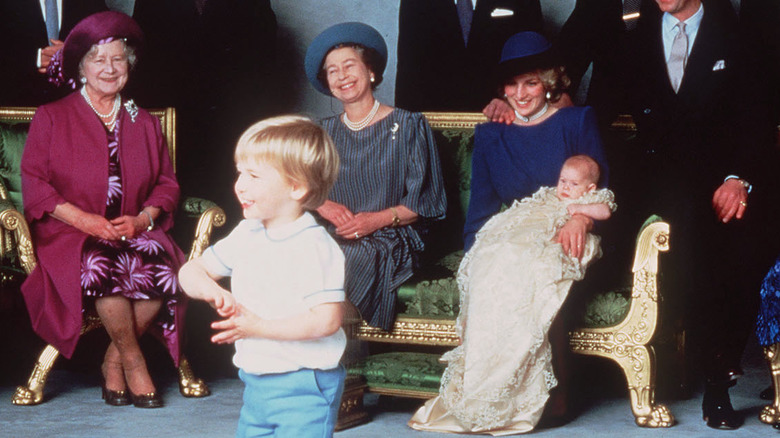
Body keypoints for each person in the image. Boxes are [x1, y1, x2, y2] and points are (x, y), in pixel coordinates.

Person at [621, 0, 776, 430]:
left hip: (724, 179)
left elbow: (759, 119)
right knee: (692, 242)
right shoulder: (635, 37)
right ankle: (715, 378)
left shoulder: (740, 37)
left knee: (744, 244)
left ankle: (717, 379)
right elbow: (598, 104)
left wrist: (738, 178)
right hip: (663, 183)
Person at [20, 11, 184, 408]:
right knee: (101, 265)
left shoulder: (143, 121)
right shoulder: (52, 116)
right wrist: (85, 220)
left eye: (118, 59)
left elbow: (166, 184)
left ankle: (113, 361)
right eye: (98, 59)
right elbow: (34, 183)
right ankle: (134, 361)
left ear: (129, 66)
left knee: (163, 268)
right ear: (81, 67)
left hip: (132, 229)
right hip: (70, 233)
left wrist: (143, 219)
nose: (109, 69)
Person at [409, 155, 615, 434]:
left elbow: (604, 212)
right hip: (532, 235)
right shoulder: (549, 196)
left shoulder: (594, 199)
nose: (565, 188)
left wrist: (578, 210)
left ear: (590, 188)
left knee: (535, 269)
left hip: (564, 241)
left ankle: (508, 394)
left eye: (573, 183)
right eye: (562, 181)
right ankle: (482, 384)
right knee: (498, 255)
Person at [178, 115, 346, 438]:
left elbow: (327, 321)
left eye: (254, 175)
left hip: (305, 383)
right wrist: (211, 290)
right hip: (256, 383)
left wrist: (259, 328)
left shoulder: (314, 246)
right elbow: (190, 271)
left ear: (296, 187)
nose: (240, 185)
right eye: (240, 172)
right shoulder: (248, 233)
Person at [303, 22, 447, 331]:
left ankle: (336, 354)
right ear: (327, 83)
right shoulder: (321, 131)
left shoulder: (409, 125)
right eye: (332, 71)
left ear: (370, 71)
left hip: (393, 235)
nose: (341, 76)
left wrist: (374, 221)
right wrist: (323, 205)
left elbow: (424, 205)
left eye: (349, 65)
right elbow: (294, 183)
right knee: (297, 249)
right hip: (332, 231)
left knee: (349, 256)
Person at [395, 0, 543, 112]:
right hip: (435, 126)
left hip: (505, 120)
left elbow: (538, 63)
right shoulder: (414, 3)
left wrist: (509, 101)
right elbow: (407, 74)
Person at [0, 0, 107, 105]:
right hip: (16, 102)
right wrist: (35, 58)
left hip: (76, 102)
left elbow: (108, 40)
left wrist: (73, 52)